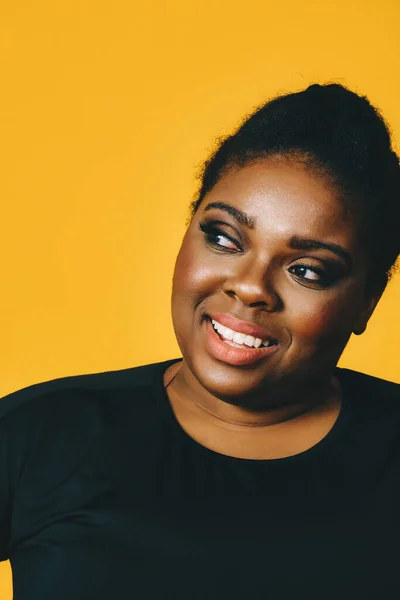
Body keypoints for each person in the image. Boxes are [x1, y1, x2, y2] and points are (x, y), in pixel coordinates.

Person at [0, 83, 399, 599]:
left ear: (367, 300)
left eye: (307, 269)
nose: (250, 286)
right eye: (224, 238)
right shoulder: (41, 437)